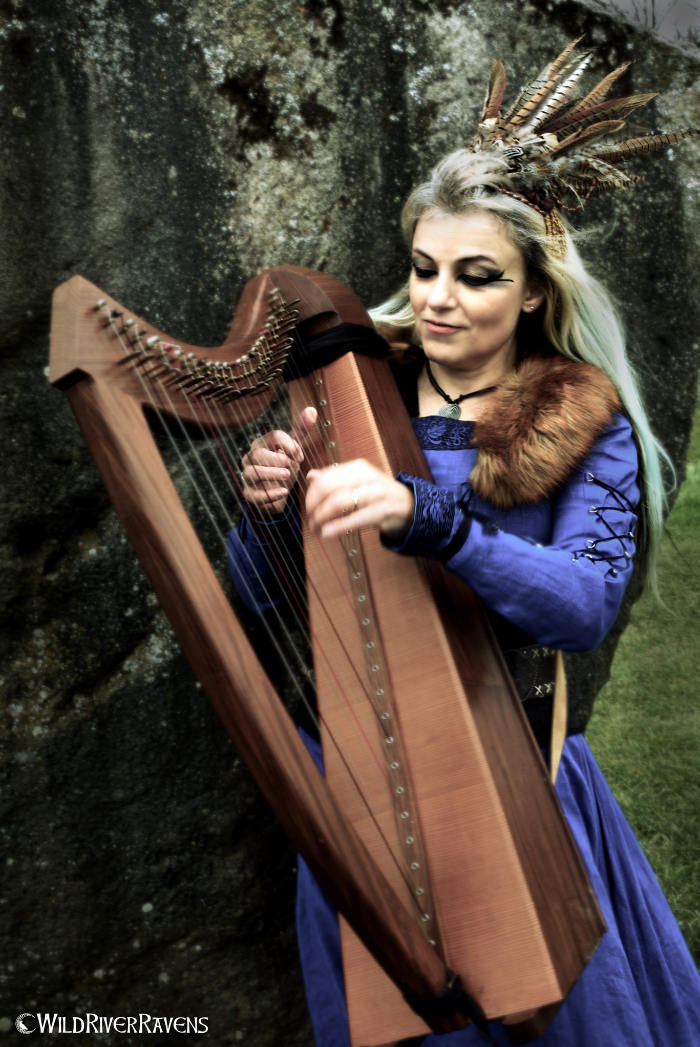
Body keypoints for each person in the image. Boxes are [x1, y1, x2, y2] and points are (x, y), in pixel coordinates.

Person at [226, 44, 700, 1046]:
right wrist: (266, 512)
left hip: (518, 775)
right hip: (362, 806)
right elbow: (259, 598)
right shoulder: (356, 398)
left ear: (531, 291)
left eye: (476, 276)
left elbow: (583, 605)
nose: (437, 296)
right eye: (424, 268)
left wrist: (433, 521)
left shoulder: (585, 424)